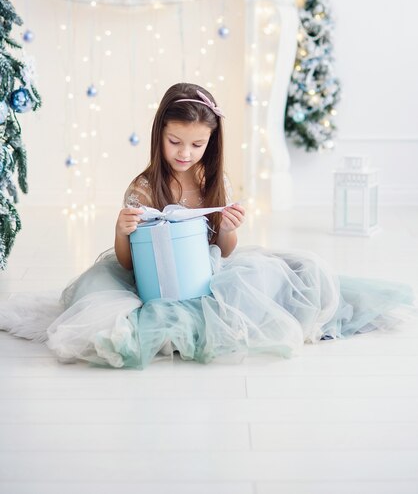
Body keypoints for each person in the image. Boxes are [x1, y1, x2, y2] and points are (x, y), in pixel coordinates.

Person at [0, 83, 416, 369]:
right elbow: (126, 267)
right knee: (117, 316)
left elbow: (226, 250)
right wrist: (121, 231)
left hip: (205, 274)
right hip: (152, 281)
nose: (185, 153)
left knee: (286, 278)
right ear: (159, 135)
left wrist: (229, 224)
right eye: (175, 141)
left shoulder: (212, 183)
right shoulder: (143, 188)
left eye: (197, 144)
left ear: (211, 142)